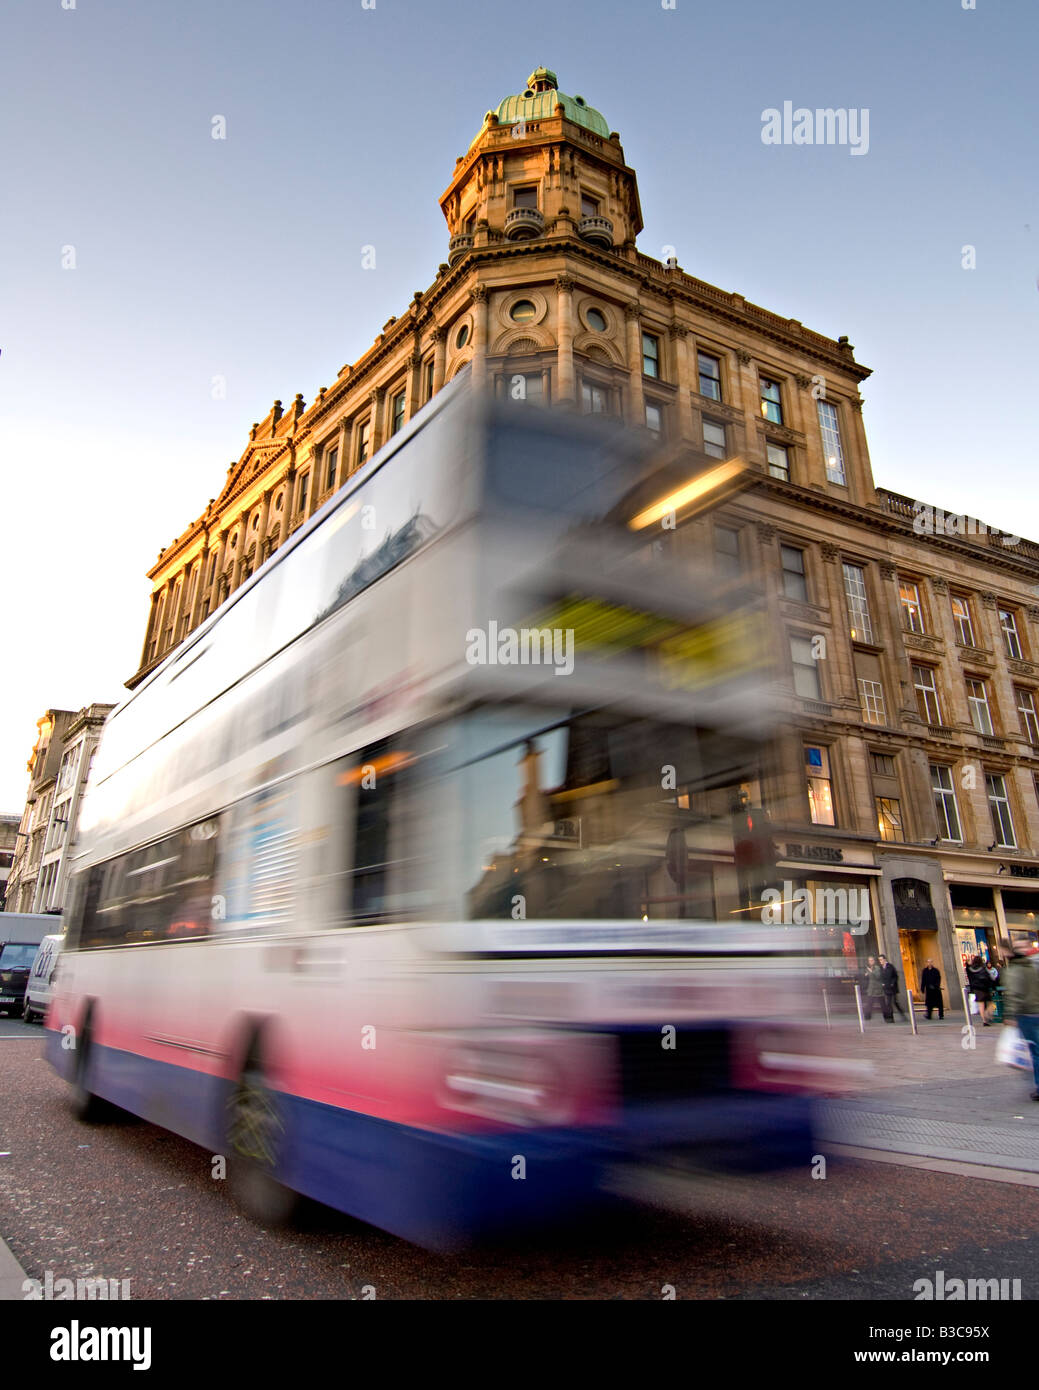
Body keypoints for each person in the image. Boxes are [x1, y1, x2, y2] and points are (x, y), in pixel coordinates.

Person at [1002, 945, 1039, 1101]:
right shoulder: (1032, 968)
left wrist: (1010, 1014)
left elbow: (1013, 994)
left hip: (1026, 1014)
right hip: (1036, 1011)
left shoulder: (1014, 971)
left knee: (1034, 1051)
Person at [966, 954, 994, 1025]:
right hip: (985, 988)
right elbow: (988, 977)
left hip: (976, 989)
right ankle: (988, 1014)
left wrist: (967, 964)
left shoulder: (971, 969)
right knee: (991, 1003)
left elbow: (968, 971)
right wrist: (992, 985)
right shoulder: (983, 968)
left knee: (981, 1005)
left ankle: (984, 1020)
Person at [862, 955, 891, 1022]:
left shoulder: (877, 968)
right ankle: (867, 1017)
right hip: (871, 989)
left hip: (878, 989)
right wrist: (866, 974)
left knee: (882, 1004)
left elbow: (877, 976)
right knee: (869, 1003)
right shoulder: (868, 969)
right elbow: (866, 978)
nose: (870, 962)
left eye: (872, 960)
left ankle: (887, 1017)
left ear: (874, 961)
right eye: (869, 960)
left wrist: (871, 972)